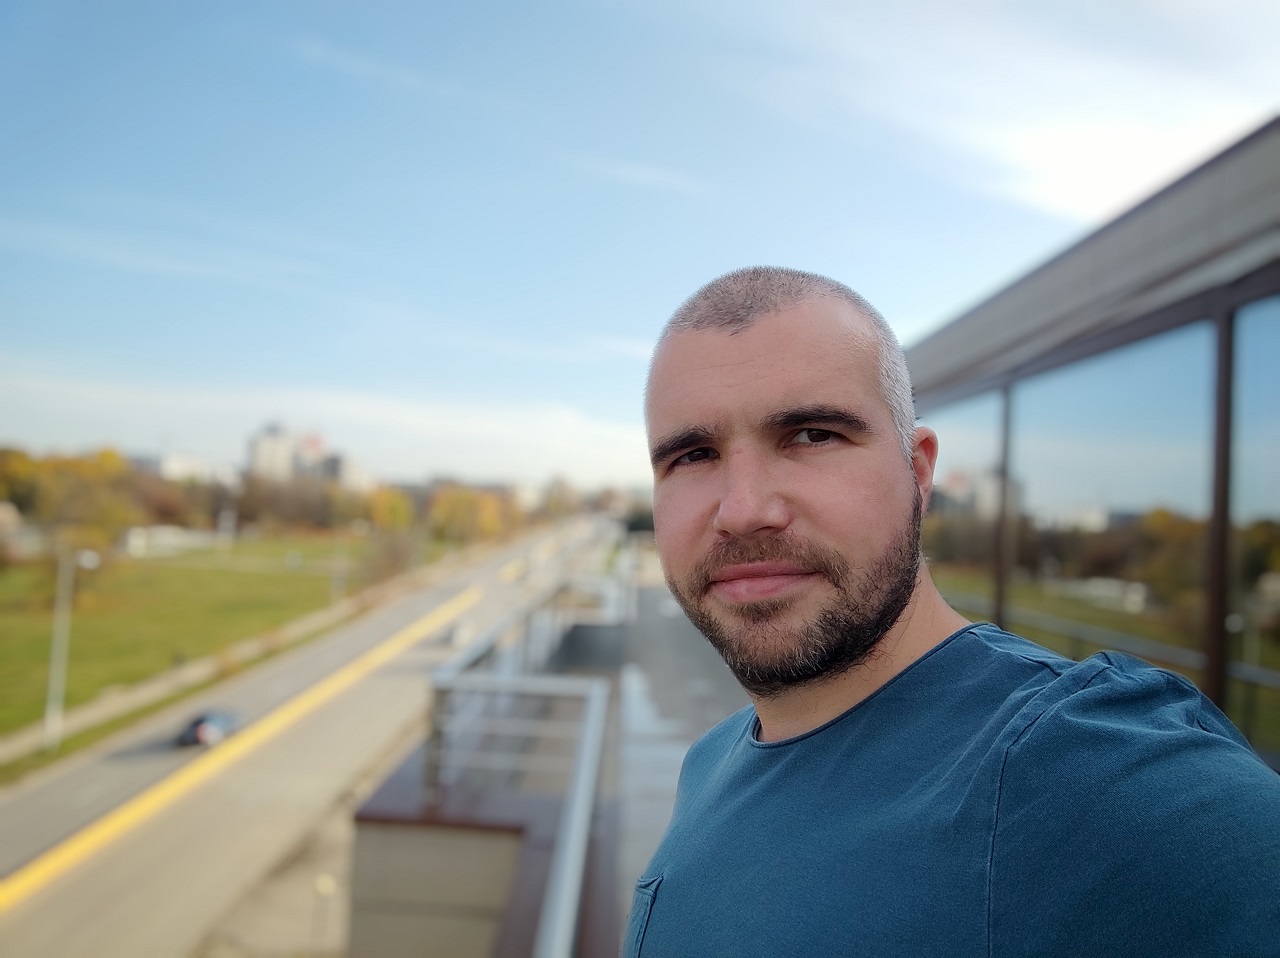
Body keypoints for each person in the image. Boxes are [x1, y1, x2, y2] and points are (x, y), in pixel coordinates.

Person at [626, 266, 1280, 958]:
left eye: (812, 435)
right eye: (693, 455)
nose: (742, 510)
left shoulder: (1084, 773)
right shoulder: (712, 759)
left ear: (918, 472)